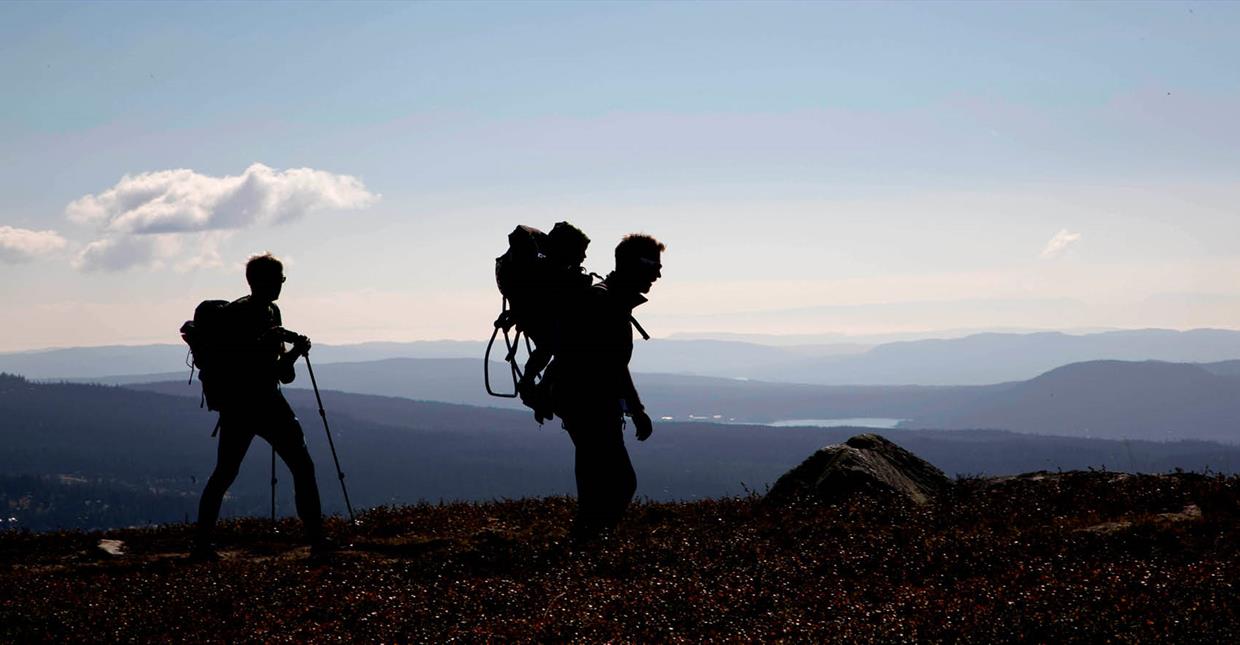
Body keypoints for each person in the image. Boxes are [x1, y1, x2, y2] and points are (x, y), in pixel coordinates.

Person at [192, 252, 329, 559]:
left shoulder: (259, 312)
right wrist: (295, 352)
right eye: (278, 280)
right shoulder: (258, 314)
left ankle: (201, 545)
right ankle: (317, 541)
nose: (280, 286)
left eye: (281, 280)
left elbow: (277, 370)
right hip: (263, 403)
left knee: (225, 473)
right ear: (261, 281)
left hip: (238, 407)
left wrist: (290, 353)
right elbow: (276, 371)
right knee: (302, 467)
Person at [548, 233, 665, 542]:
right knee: (620, 483)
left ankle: (582, 548)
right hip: (590, 406)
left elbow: (607, 364)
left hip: (581, 403)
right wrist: (636, 409)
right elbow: (609, 365)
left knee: (596, 482)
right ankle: (585, 548)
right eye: (653, 264)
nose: (658, 273)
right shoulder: (604, 303)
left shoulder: (605, 299)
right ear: (631, 264)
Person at [517, 221, 592, 422]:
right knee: (558, 349)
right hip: (551, 327)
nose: (584, 257)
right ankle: (535, 389)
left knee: (554, 350)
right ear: (568, 250)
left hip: (543, 325)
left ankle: (536, 390)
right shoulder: (553, 274)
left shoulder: (547, 270)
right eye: (581, 251)